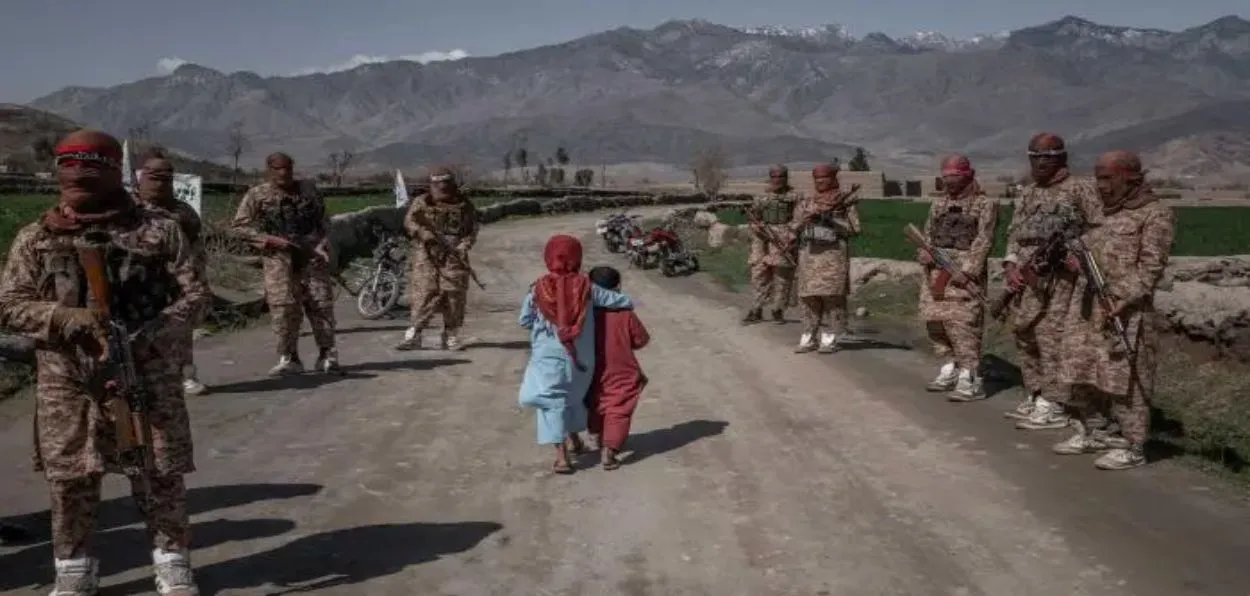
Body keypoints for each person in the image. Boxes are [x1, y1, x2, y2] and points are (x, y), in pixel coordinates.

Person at [0, 129, 209, 595]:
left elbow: (194, 295)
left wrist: (146, 338)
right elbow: (9, 303)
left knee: (159, 469)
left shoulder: (159, 229)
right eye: (69, 178)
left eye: (90, 178)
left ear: (116, 174)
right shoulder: (36, 237)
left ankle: (172, 562)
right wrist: (65, 317)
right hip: (67, 379)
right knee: (71, 475)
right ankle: (73, 570)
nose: (77, 189)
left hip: (145, 369)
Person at [1050, 150, 1174, 470]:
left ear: (1129, 178)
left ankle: (1133, 445)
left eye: (1107, 178)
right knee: (1079, 367)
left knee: (1127, 379)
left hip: (1126, 311)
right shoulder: (1104, 212)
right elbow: (1089, 248)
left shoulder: (1155, 214)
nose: (1101, 185)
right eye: (1098, 177)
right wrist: (1074, 261)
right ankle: (1094, 430)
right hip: (1088, 304)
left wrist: (1122, 298)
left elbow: (1151, 268)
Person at [999, 133, 1101, 431]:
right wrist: (1010, 264)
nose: (1040, 163)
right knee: (1024, 334)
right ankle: (1037, 393)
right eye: (1035, 157)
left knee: (1050, 336)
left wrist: (1077, 254)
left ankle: (1057, 404)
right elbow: (1014, 232)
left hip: (1060, 278)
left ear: (1062, 158)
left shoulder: (1080, 189)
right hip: (1026, 275)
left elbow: (1100, 228)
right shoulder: (1028, 192)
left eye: (1047, 156)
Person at [518, 235, 633, 474]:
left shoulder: (537, 289)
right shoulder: (587, 288)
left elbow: (524, 321)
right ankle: (576, 441)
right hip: (581, 360)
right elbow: (622, 301)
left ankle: (561, 456)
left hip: (547, 357)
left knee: (551, 403)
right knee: (572, 399)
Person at [231, 152, 340, 375]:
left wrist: (323, 243)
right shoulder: (257, 195)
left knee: (320, 304)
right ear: (268, 170)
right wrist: (268, 240)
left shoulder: (309, 190)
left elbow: (325, 222)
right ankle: (289, 357)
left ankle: (327, 354)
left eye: (287, 168)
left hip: (311, 255)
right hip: (279, 259)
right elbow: (239, 227)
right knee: (283, 307)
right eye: (277, 169)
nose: (283, 173)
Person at [917, 155, 998, 401]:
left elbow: (984, 240)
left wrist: (969, 270)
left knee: (964, 325)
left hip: (962, 276)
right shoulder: (938, 205)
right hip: (935, 275)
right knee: (935, 322)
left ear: (967, 176)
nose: (950, 181)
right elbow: (928, 235)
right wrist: (924, 253)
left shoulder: (984, 204)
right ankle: (949, 366)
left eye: (955, 176)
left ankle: (970, 377)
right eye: (946, 176)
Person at [135, 150, 210, 396]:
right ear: (141, 178)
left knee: (180, 330)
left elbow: (194, 252)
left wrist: (195, 286)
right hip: (139, 283)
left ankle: (187, 375)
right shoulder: (128, 209)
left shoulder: (184, 213)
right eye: (153, 177)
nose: (158, 184)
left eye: (165, 179)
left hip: (176, 282)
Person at [395, 166, 481, 351]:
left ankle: (451, 335)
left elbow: (471, 230)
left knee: (454, 296)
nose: (442, 191)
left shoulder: (465, 205)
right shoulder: (422, 202)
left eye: (445, 186)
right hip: (426, 255)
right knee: (424, 294)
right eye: (438, 186)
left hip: (453, 257)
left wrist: (463, 246)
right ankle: (414, 334)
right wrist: (422, 233)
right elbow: (410, 222)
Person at [585, 266, 651, 470]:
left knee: (595, 401)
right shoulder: (625, 313)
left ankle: (597, 435)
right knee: (619, 406)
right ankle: (610, 450)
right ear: (617, 287)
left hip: (590, 368)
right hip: (622, 369)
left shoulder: (584, 313)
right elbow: (640, 340)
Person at [791, 163, 860, 353]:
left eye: (824, 180)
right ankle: (809, 334)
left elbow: (854, 229)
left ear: (832, 180)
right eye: (817, 181)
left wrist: (831, 220)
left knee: (832, 297)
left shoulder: (844, 201)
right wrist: (805, 220)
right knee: (808, 297)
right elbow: (794, 226)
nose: (820, 184)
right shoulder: (806, 201)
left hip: (833, 256)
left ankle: (831, 336)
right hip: (809, 256)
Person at [742, 165, 801, 325]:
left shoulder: (794, 196)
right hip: (762, 236)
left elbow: (799, 218)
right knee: (758, 272)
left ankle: (778, 309)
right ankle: (756, 308)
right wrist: (757, 227)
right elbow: (753, 216)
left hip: (783, 236)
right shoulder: (762, 196)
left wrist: (791, 233)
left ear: (786, 177)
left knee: (781, 274)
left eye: (781, 176)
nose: (777, 180)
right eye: (774, 176)